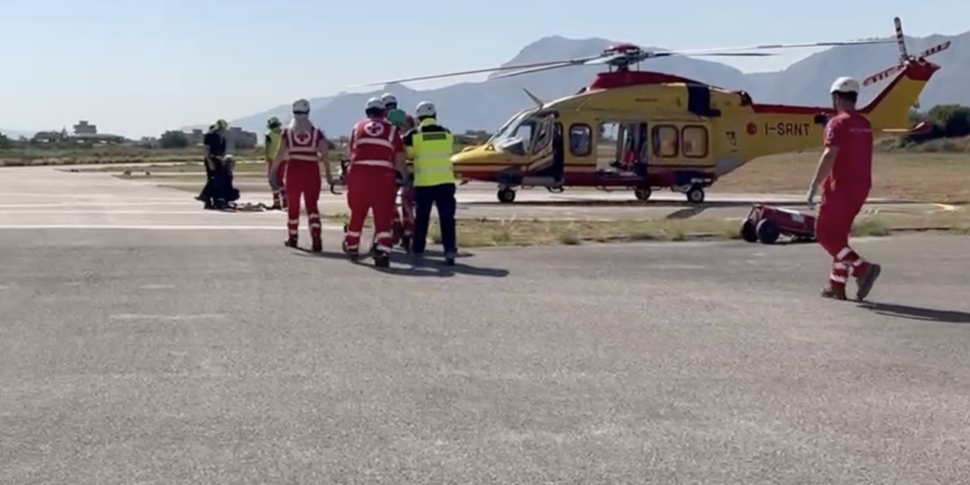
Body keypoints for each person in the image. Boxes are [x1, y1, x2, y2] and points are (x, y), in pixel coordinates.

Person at [808, 76, 881, 301]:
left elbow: (830, 154)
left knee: (825, 235)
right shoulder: (864, 124)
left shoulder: (837, 122)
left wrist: (814, 185)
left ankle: (862, 269)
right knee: (839, 237)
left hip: (839, 188)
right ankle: (836, 284)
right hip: (861, 187)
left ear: (836, 97)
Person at [343, 97, 407, 268]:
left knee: (358, 213)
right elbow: (400, 157)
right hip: (382, 177)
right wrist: (404, 176)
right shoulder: (392, 130)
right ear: (383, 112)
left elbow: (351, 151)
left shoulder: (357, 127)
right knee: (383, 216)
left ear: (367, 112)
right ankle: (383, 250)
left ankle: (352, 245)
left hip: (358, 175)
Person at [269, 99, 332, 252]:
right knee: (312, 206)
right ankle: (316, 238)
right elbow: (325, 154)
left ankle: (293, 237)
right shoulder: (316, 132)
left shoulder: (288, 132)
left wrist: (273, 172)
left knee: (293, 206)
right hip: (311, 170)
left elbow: (279, 153)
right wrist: (329, 175)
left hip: (294, 169)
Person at [405, 101, 458, 265]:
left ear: (419, 117)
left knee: (422, 218)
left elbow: (409, 155)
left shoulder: (414, 135)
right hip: (446, 182)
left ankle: (419, 250)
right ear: (435, 116)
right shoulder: (447, 133)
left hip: (424, 182)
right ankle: (449, 251)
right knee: (447, 219)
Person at [199, 120, 230, 209]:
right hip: (211, 159)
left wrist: (223, 160)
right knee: (212, 180)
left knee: (219, 181)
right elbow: (206, 150)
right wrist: (209, 161)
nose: (222, 130)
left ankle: (216, 200)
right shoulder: (210, 135)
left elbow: (223, 151)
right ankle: (206, 199)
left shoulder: (222, 137)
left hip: (219, 160)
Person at [265, 116, 286, 210]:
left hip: (273, 159)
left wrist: (267, 158)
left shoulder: (269, 134)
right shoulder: (284, 133)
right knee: (280, 180)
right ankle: (285, 202)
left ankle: (277, 202)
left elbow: (267, 148)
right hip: (284, 159)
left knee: (272, 181)